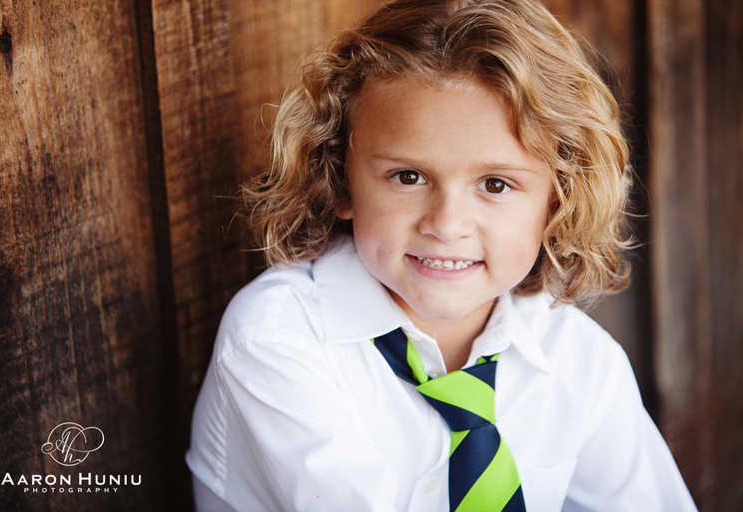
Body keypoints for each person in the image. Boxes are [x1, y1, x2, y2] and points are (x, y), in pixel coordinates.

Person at [185, 0, 697, 510]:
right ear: (339, 179)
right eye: (408, 177)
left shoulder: (575, 359)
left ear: (557, 199)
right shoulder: (276, 344)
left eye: (495, 184)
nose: (447, 224)